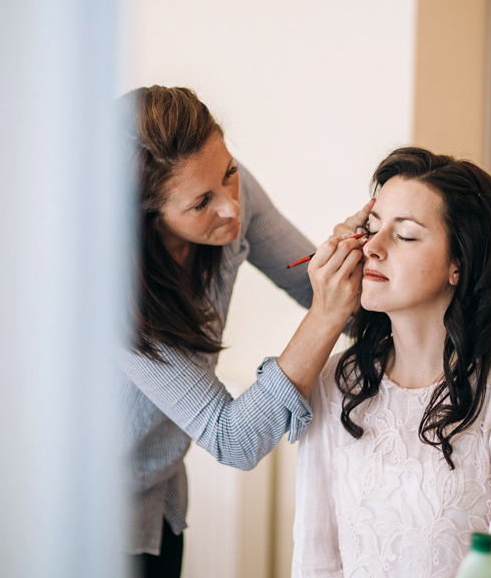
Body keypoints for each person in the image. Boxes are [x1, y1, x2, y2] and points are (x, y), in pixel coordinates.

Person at [118, 86, 371, 577]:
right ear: (146, 219)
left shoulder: (233, 191)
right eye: (201, 204)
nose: (232, 207)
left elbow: (308, 280)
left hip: (161, 498)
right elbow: (231, 437)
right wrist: (324, 316)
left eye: (229, 172)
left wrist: (367, 266)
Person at [292, 148, 491, 578]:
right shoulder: (337, 383)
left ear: (458, 263)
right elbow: (315, 558)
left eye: (404, 235)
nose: (373, 249)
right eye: (370, 228)